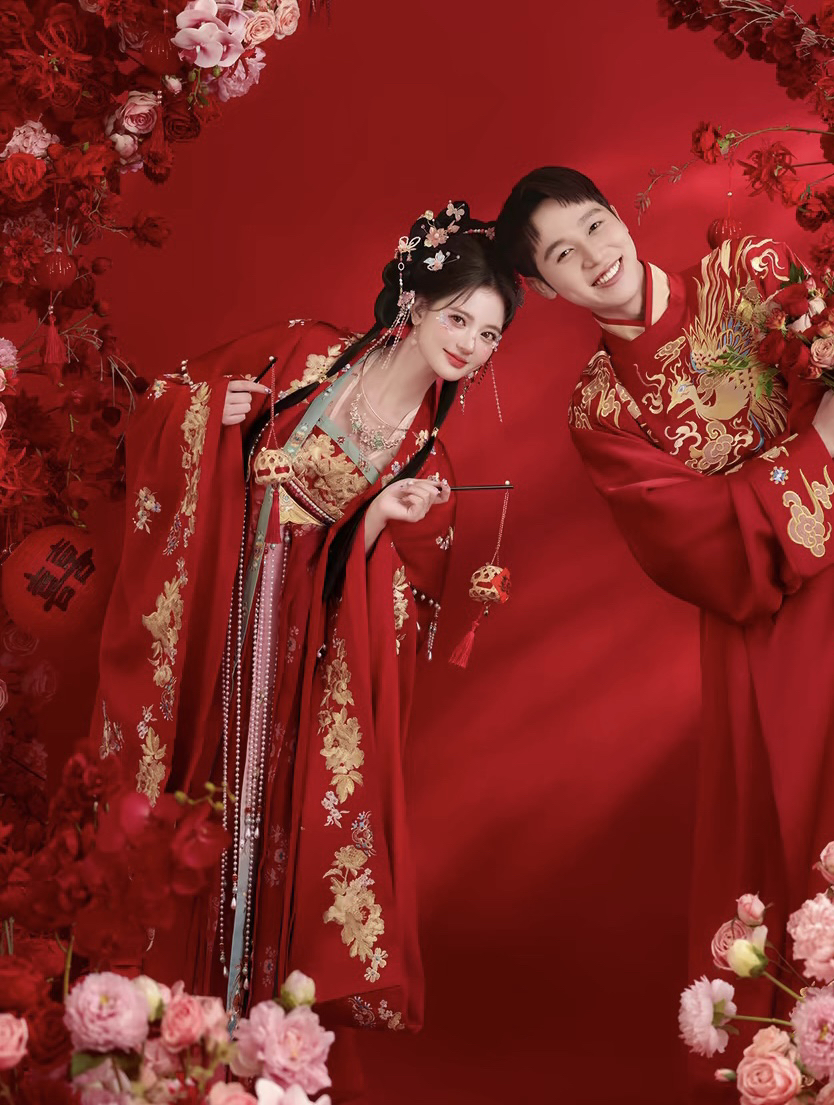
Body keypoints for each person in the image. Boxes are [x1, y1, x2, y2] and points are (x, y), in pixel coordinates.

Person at [495, 168, 834, 1095]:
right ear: (544, 287)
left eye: (595, 226)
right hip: (766, 633)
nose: (594, 257)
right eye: (562, 254)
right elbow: (692, 546)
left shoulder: (746, 273)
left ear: (620, 215)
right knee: (811, 831)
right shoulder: (601, 410)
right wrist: (818, 444)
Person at [91, 201, 519, 1054]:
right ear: (415, 303)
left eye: (489, 334)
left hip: (296, 670)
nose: (470, 344)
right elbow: (164, 398)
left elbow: (392, 625)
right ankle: (143, 1019)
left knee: (257, 831)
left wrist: (376, 523)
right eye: (458, 318)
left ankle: (232, 1031)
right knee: (182, 799)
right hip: (214, 618)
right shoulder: (303, 354)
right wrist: (208, 416)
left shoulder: (428, 463)